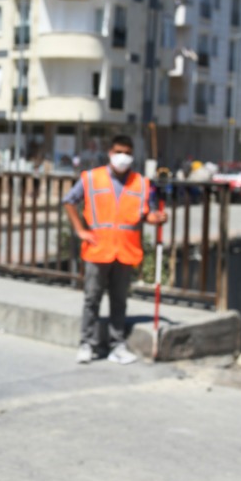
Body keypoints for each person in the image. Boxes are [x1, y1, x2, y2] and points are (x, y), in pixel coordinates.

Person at [63, 134, 167, 364]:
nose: (124, 157)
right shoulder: (91, 178)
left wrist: (155, 218)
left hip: (125, 249)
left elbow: (144, 213)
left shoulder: (140, 183)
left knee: (119, 300)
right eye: (119, 151)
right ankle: (86, 343)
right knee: (92, 298)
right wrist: (81, 230)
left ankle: (116, 345)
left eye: (128, 153)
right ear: (110, 152)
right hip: (98, 248)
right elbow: (69, 201)